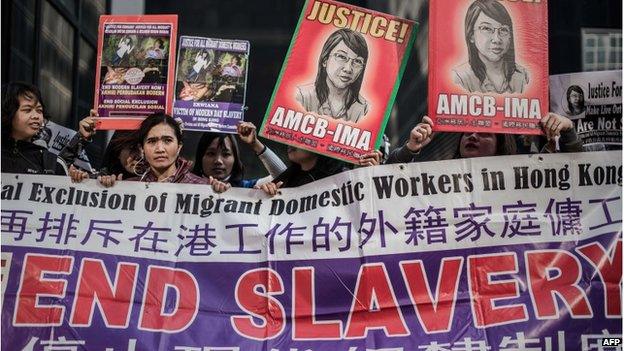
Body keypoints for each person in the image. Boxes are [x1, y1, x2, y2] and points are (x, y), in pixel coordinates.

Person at [386, 113, 581, 163]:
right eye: (467, 133)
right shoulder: (439, 177)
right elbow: (388, 180)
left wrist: (568, 130)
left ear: (501, 146)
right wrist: (410, 148)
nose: (472, 135)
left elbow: (577, 173)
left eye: (485, 134)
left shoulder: (520, 178)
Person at [452, 0, 529, 94]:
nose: (497, 39)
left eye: (503, 30)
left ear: (510, 36)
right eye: (487, 28)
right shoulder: (460, 77)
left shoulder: (523, 76)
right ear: (471, 35)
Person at [296, 28, 369, 123]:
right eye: (342, 57)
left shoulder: (364, 109)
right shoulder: (302, 97)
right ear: (325, 60)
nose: (348, 69)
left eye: (357, 61)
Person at [192, 122, 286, 188]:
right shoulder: (184, 186)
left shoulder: (247, 188)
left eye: (226, 154)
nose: (218, 161)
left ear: (235, 159)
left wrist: (255, 143)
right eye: (211, 154)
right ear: (200, 157)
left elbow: (283, 175)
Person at [1, 82, 67, 175]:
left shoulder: (54, 164)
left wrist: (79, 182)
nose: (36, 116)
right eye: (27, 110)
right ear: (8, 112)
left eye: (39, 110)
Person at [258, 148, 382, 196]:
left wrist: (372, 177)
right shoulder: (284, 181)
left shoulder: (344, 179)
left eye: (303, 134)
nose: (291, 141)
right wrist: (265, 196)